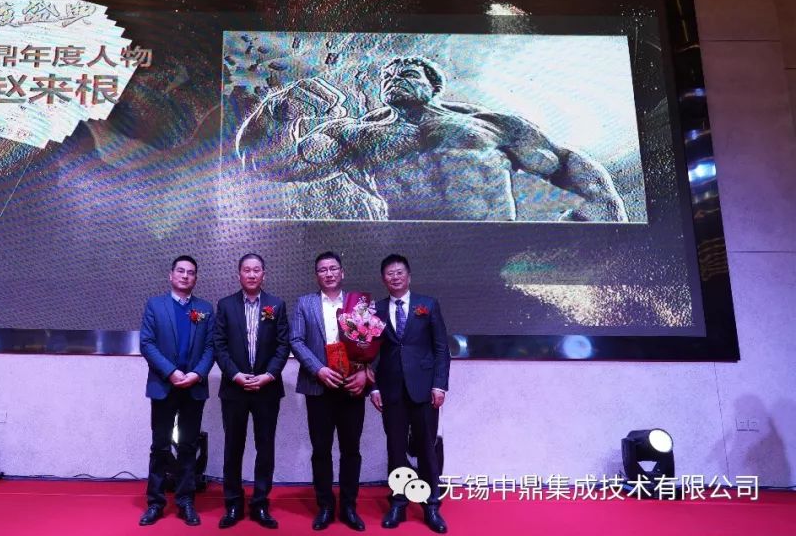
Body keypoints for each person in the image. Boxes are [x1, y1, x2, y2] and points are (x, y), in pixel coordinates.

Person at [235, 55, 628, 222]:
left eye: (408, 73)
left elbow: (563, 163)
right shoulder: (356, 136)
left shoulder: (490, 125)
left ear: (433, 85)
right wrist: (278, 110)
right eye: (387, 76)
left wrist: (607, 213)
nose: (393, 78)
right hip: (409, 261)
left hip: (494, 250)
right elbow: (265, 166)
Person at [370, 254, 451, 533]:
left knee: (427, 448)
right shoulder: (376, 309)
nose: (395, 277)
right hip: (390, 390)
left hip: (424, 389)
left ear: (408, 276)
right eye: (389, 273)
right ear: (383, 279)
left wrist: (439, 385)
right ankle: (398, 502)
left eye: (399, 272)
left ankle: (431, 504)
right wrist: (374, 387)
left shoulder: (428, 305)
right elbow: (371, 353)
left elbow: (441, 348)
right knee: (395, 449)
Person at [289, 251, 369, 531]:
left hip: (351, 386)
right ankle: (325, 506)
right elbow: (296, 340)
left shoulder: (358, 304)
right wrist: (318, 370)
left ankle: (348, 507)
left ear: (342, 272)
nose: (329, 273)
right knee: (321, 450)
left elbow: (371, 342)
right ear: (317, 276)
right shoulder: (305, 303)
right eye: (322, 270)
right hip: (318, 386)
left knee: (351, 450)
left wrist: (365, 371)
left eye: (333, 268)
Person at [212, 253, 291, 529]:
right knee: (233, 447)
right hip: (234, 389)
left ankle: (260, 504)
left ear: (264, 275)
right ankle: (233, 503)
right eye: (247, 270)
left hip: (267, 390)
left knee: (265, 447)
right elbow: (219, 345)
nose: (252, 274)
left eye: (257, 270)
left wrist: (268, 376)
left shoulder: (276, 305)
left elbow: (283, 345)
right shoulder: (225, 305)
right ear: (239, 275)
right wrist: (235, 375)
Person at [138, 255, 216, 527]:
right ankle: (155, 502)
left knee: (188, 446)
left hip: (194, 387)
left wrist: (196, 374)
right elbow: (147, 343)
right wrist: (171, 372)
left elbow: (211, 347)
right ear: (170, 275)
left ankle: (185, 501)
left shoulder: (205, 308)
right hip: (164, 385)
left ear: (196, 278)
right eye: (180, 271)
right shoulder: (155, 305)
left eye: (190, 272)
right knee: (160, 446)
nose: (185, 276)